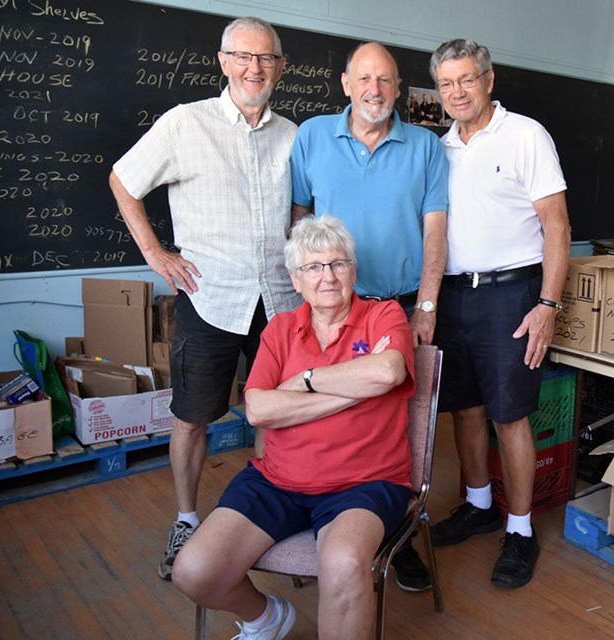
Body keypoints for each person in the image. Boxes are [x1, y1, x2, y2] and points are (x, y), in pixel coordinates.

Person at [108, 16, 301, 582]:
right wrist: (156, 254)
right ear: (223, 62)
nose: (255, 68)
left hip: (281, 302)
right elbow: (124, 181)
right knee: (192, 419)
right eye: (243, 56)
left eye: (266, 59)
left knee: (276, 416)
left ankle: (276, 514)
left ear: (281, 68)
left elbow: (304, 211)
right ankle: (188, 519)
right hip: (210, 298)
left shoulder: (294, 135)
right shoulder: (183, 124)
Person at [172, 214, 415, 640]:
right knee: (194, 571)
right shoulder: (281, 329)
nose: (328, 277)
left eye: (338, 264)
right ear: (295, 279)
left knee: (343, 562)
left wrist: (304, 381)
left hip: (365, 482)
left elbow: (388, 373)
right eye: (313, 267)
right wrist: (353, 387)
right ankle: (266, 618)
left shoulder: (384, 314)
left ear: (353, 271)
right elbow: (259, 409)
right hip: (276, 479)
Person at [289, 41, 448, 591]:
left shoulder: (426, 145)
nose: (375, 89)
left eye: (385, 80)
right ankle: (329, 526)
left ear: (399, 89)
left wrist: (426, 305)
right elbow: (300, 224)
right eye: (365, 78)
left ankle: (397, 535)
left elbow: (435, 231)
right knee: (331, 417)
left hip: (399, 306)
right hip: (332, 306)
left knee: (404, 430)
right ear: (346, 83)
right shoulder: (311, 137)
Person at [427, 39, 571, 589]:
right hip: (454, 296)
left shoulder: (526, 135)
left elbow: (557, 228)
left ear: (489, 80)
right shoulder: (440, 148)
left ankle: (519, 530)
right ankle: (480, 505)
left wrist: (547, 306)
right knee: (464, 410)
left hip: (512, 296)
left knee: (508, 416)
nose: (457, 92)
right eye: (446, 84)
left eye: (466, 79)